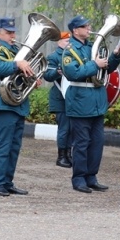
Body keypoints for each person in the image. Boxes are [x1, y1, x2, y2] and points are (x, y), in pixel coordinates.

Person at [61, 15, 120, 194]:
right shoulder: (70, 49)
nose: (89, 28)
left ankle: (91, 177)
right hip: (80, 99)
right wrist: (94, 64)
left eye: (89, 25)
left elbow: (106, 69)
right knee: (81, 143)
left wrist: (115, 57)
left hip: (96, 99)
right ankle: (79, 178)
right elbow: (72, 72)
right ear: (75, 30)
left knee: (97, 142)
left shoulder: (91, 46)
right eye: (85, 26)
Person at [0, 17, 34, 196]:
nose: (13, 35)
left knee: (14, 147)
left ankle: (7, 182)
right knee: (3, 146)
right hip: (3, 104)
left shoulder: (15, 50)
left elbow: (17, 76)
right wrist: (17, 64)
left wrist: (31, 78)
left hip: (17, 103)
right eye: (8, 32)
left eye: (13, 32)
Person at [43, 31, 73, 168]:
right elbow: (48, 75)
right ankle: (61, 156)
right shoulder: (53, 57)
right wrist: (57, 71)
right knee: (64, 128)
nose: (69, 43)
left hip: (72, 97)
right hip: (60, 97)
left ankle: (69, 154)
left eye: (70, 41)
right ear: (59, 42)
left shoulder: (73, 55)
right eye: (66, 41)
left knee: (72, 128)